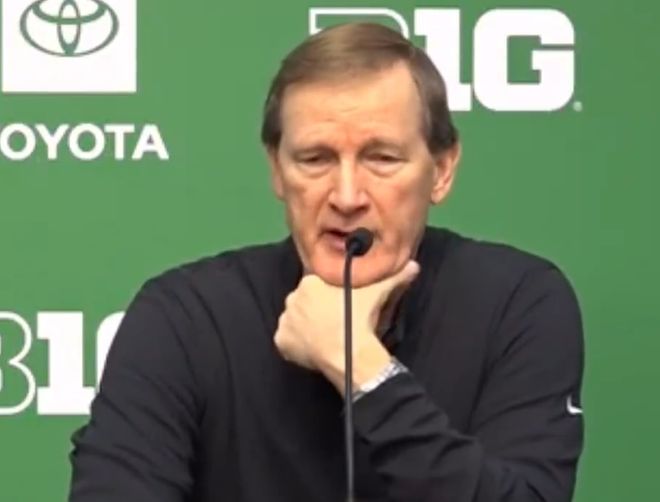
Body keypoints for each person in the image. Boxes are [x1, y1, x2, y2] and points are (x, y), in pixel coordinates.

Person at [68, 22, 584, 501]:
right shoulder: (185, 317)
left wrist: (360, 366)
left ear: (442, 169)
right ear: (277, 170)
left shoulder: (518, 303)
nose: (346, 196)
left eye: (381, 158)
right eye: (315, 159)